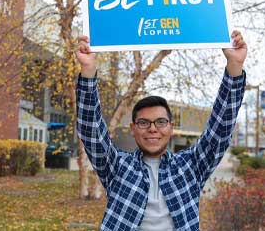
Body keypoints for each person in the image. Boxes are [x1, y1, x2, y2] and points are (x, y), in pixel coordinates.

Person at [75, 31, 247, 231]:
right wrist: (88, 69)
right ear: (133, 129)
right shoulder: (116, 166)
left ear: (171, 128)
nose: (153, 129)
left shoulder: (190, 166)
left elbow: (220, 130)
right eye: (144, 123)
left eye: (160, 122)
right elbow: (91, 131)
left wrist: (235, 67)